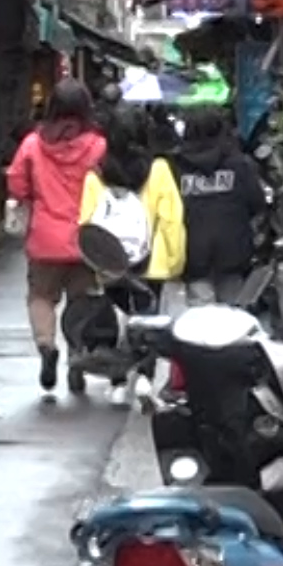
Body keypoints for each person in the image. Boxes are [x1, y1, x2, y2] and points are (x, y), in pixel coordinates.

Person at [75, 108, 185, 405]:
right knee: (148, 322)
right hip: (152, 262)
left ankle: (118, 382)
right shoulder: (159, 169)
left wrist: (96, 264)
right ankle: (145, 378)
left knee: (120, 321)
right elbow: (171, 219)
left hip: (112, 263)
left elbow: (87, 222)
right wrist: (174, 260)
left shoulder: (96, 174)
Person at [6, 78, 108, 395]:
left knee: (40, 297)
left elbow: (17, 185)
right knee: (81, 302)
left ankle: (47, 346)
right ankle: (77, 356)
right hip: (86, 241)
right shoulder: (98, 146)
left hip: (45, 239)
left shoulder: (32, 145)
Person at [169, 106, 268, 306]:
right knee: (233, 312)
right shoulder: (239, 165)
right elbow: (257, 203)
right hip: (234, 251)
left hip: (192, 251)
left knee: (201, 314)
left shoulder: (175, 167)